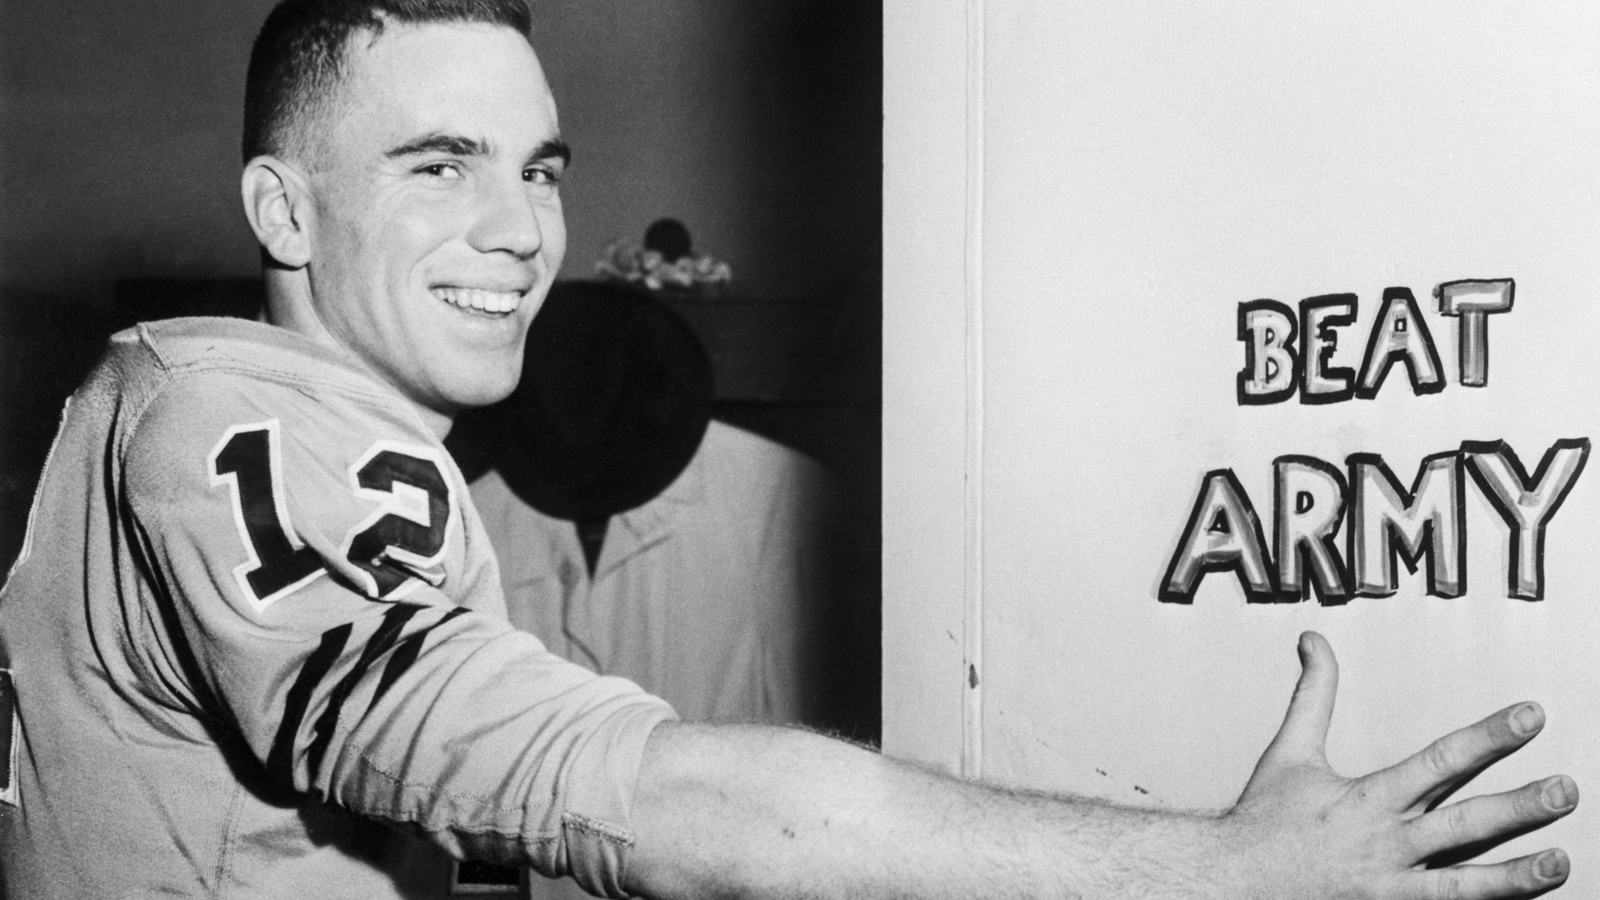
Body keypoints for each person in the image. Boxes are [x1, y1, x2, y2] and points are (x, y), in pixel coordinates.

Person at [0, 1, 1578, 898]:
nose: (523, 230)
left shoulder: (195, 396)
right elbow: (613, 786)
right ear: (282, 210)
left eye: (539, 168)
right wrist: (1226, 873)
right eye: (438, 166)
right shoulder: (248, 427)